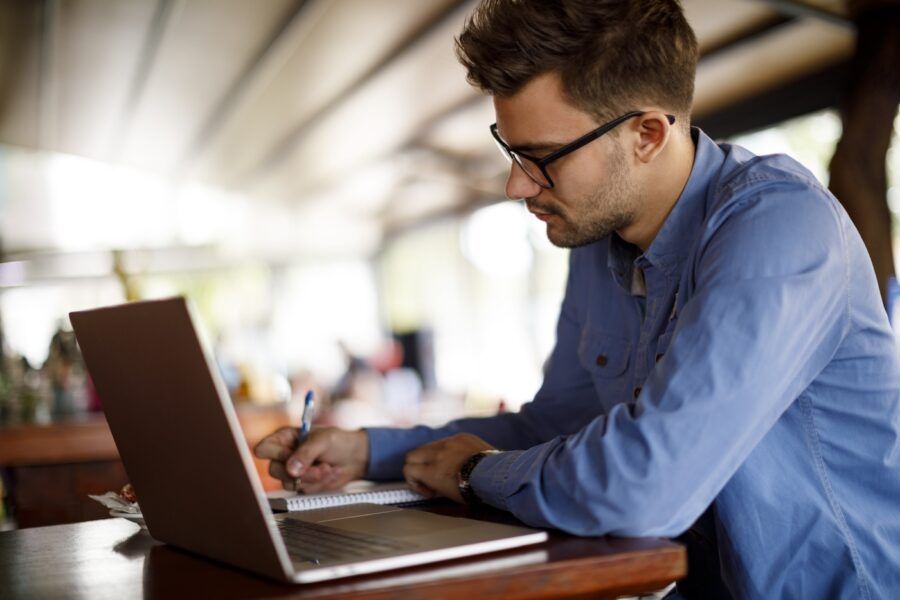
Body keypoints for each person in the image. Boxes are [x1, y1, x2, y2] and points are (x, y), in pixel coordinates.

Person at [255, 1, 900, 597]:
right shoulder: (600, 238)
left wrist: (474, 472)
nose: (515, 184)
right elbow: (556, 427)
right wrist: (370, 451)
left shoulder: (781, 226)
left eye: (542, 157)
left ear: (647, 133)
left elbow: (646, 487)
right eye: (510, 151)